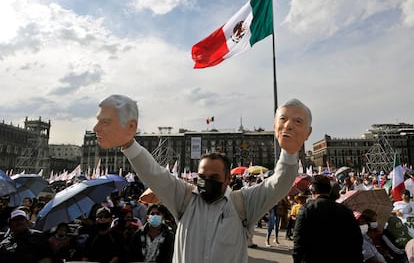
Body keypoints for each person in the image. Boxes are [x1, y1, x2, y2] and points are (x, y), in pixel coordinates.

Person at [93, 94, 312, 263]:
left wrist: (290, 152)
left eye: (214, 176)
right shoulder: (184, 200)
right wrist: (128, 144)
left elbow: (279, 183)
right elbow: (154, 173)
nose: (206, 180)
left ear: (227, 179)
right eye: (202, 176)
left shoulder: (243, 204)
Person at [292, 175, 363, 263]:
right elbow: (356, 239)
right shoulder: (344, 210)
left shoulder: (306, 210)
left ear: (312, 191)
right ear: (329, 190)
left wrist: (297, 260)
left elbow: (298, 241)